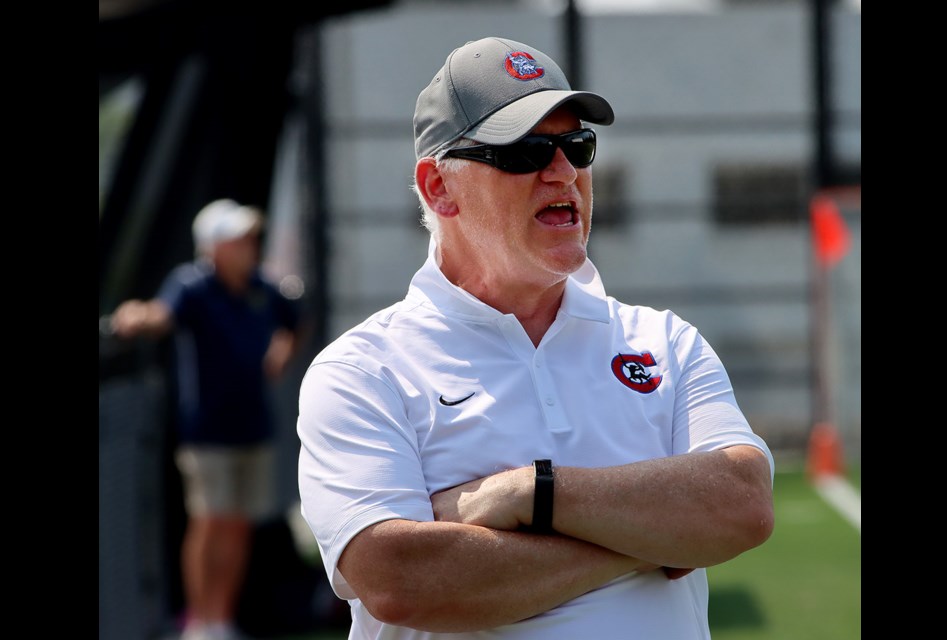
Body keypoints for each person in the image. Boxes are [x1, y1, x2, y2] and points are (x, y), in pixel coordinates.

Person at [296, 36, 775, 639]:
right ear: (438, 186)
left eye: (578, 146)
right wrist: (656, 539)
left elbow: (742, 504)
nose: (564, 171)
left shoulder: (666, 342)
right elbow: (399, 579)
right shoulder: (362, 371)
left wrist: (530, 493)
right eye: (524, 152)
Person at [112, 199, 303, 640]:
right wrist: (135, 315)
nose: (248, 247)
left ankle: (222, 620)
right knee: (209, 523)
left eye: (250, 239)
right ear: (213, 247)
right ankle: (200, 622)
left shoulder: (260, 286)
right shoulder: (192, 285)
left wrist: (279, 357)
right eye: (238, 240)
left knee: (237, 525)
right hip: (206, 433)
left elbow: (294, 321)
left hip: (252, 428)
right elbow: (160, 315)